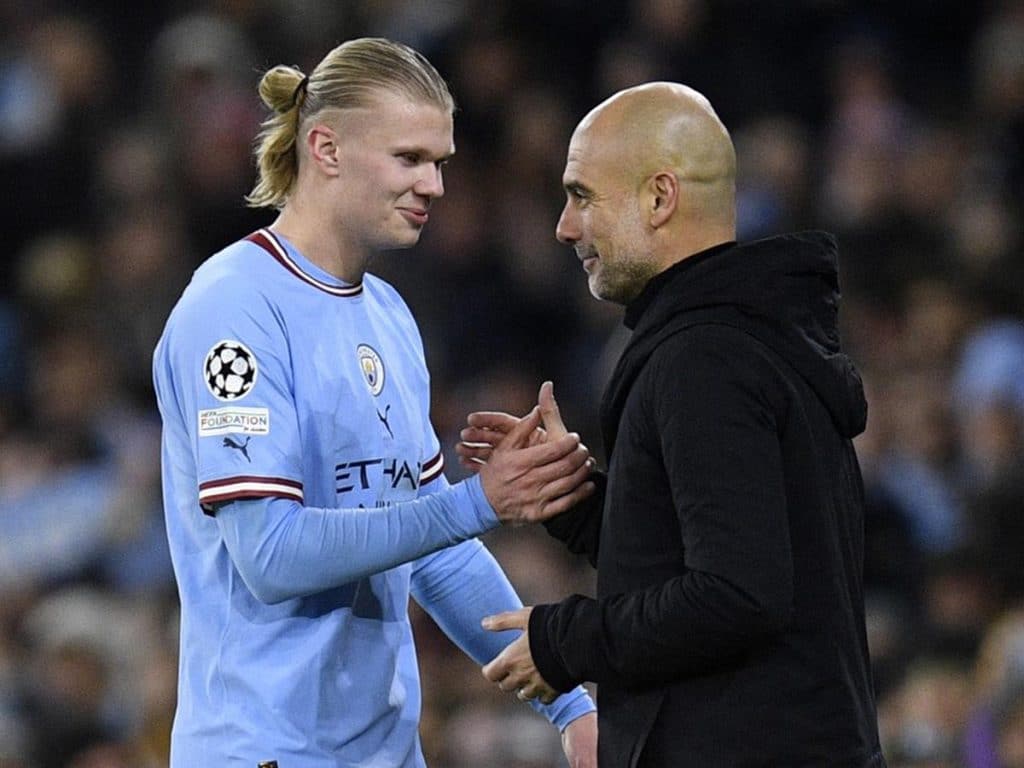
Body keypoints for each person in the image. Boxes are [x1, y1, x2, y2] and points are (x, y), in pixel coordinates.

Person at [152, 37, 598, 768]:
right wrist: (478, 501)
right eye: (409, 159)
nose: (435, 186)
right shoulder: (233, 308)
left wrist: (570, 704)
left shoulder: (386, 314)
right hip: (263, 751)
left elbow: (440, 558)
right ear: (325, 148)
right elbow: (269, 555)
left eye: (440, 163)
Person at [458, 82, 887, 766]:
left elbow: (738, 594)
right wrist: (577, 501)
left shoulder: (704, 359)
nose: (565, 227)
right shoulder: (742, 339)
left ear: (659, 198)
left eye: (582, 196)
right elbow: (703, 557)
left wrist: (569, 641)